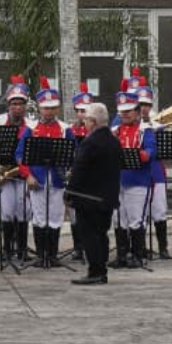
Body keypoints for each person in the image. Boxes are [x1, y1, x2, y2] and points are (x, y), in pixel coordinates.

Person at [16, 77, 74, 268]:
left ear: (57, 108)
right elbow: (19, 155)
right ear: (40, 108)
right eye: (45, 108)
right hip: (37, 179)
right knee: (39, 216)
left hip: (57, 179)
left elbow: (73, 154)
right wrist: (28, 175)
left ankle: (53, 255)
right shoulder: (31, 129)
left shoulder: (65, 129)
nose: (49, 111)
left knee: (56, 216)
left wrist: (69, 171)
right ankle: (41, 255)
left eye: (52, 107)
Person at [67, 103, 121, 285]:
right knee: (102, 234)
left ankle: (95, 271)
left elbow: (79, 170)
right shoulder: (114, 141)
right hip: (108, 198)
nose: (85, 123)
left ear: (93, 122)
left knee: (89, 235)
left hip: (88, 199)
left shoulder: (90, 142)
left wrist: (69, 192)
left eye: (87, 120)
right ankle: (102, 270)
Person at [113, 87, 156, 269]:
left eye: (129, 111)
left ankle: (138, 255)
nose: (125, 114)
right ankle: (122, 256)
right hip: (117, 181)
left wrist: (143, 154)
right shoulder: (115, 130)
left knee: (135, 219)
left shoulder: (145, 130)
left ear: (137, 112)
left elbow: (151, 150)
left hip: (138, 180)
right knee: (119, 219)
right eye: (122, 111)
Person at [0, 75, 33, 261]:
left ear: (25, 105)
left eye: (21, 104)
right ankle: (7, 249)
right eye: (14, 104)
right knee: (7, 211)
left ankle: (22, 249)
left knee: (24, 211)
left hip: (24, 175)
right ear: (8, 105)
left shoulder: (31, 125)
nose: (17, 107)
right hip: (6, 176)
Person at [135, 74, 172, 260]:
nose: (144, 108)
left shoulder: (158, 126)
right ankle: (140, 248)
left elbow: (161, 152)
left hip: (156, 173)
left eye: (147, 105)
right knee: (139, 213)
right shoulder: (129, 126)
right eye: (141, 104)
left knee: (159, 210)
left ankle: (163, 248)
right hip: (138, 173)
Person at [68, 82, 96, 262]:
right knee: (73, 213)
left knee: (90, 213)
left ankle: (90, 246)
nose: (81, 114)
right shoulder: (70, 131)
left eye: (85, 111)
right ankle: (78, 247)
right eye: (78, 110)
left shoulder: (97, 132)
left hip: (91, 177)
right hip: (75, 175)